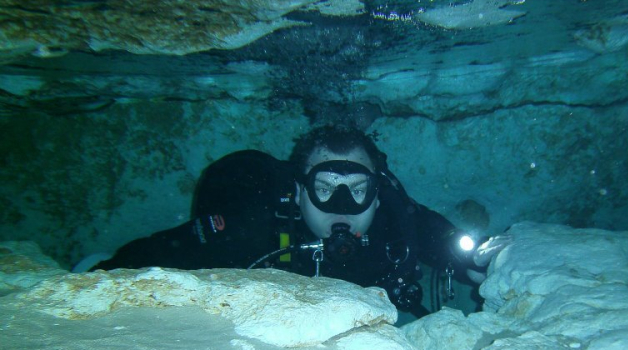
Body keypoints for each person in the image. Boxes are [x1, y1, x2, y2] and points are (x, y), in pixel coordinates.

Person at [90, 126, 507, 316]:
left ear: (378, 193)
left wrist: (478, 257)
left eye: (358, 189)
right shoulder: (252, 227)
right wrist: (97, 278)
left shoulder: (391, 216)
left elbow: (441, 237)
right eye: (325, 187)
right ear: (299, 191)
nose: (343, 204)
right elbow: (162, 254)